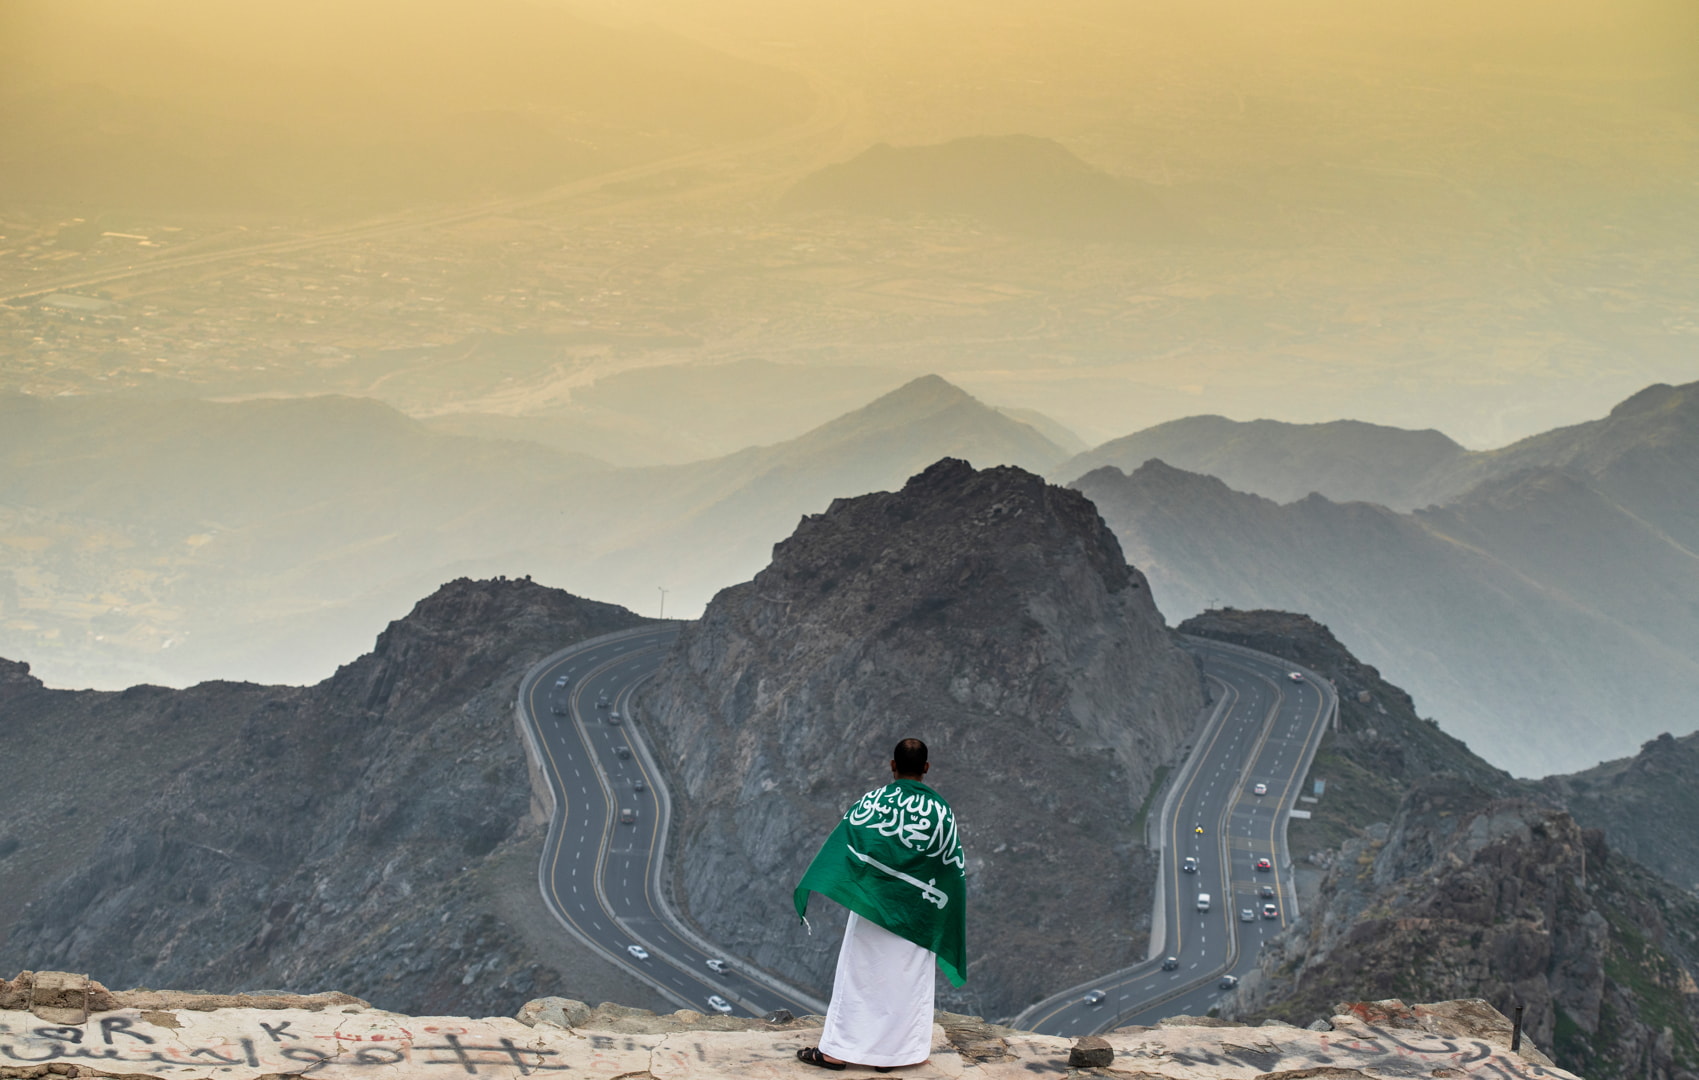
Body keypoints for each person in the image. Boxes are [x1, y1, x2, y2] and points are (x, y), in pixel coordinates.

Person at [792, 738, 967, 1072]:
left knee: (859, 977)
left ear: (893, 765)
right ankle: (893, 1057)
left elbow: (847, 847)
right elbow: (950, 867)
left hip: (872, 908)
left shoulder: (873, 803)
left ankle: (836, 1053)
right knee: (907, 982)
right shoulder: (941, 811)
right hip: (917, 913)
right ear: (926, 768)